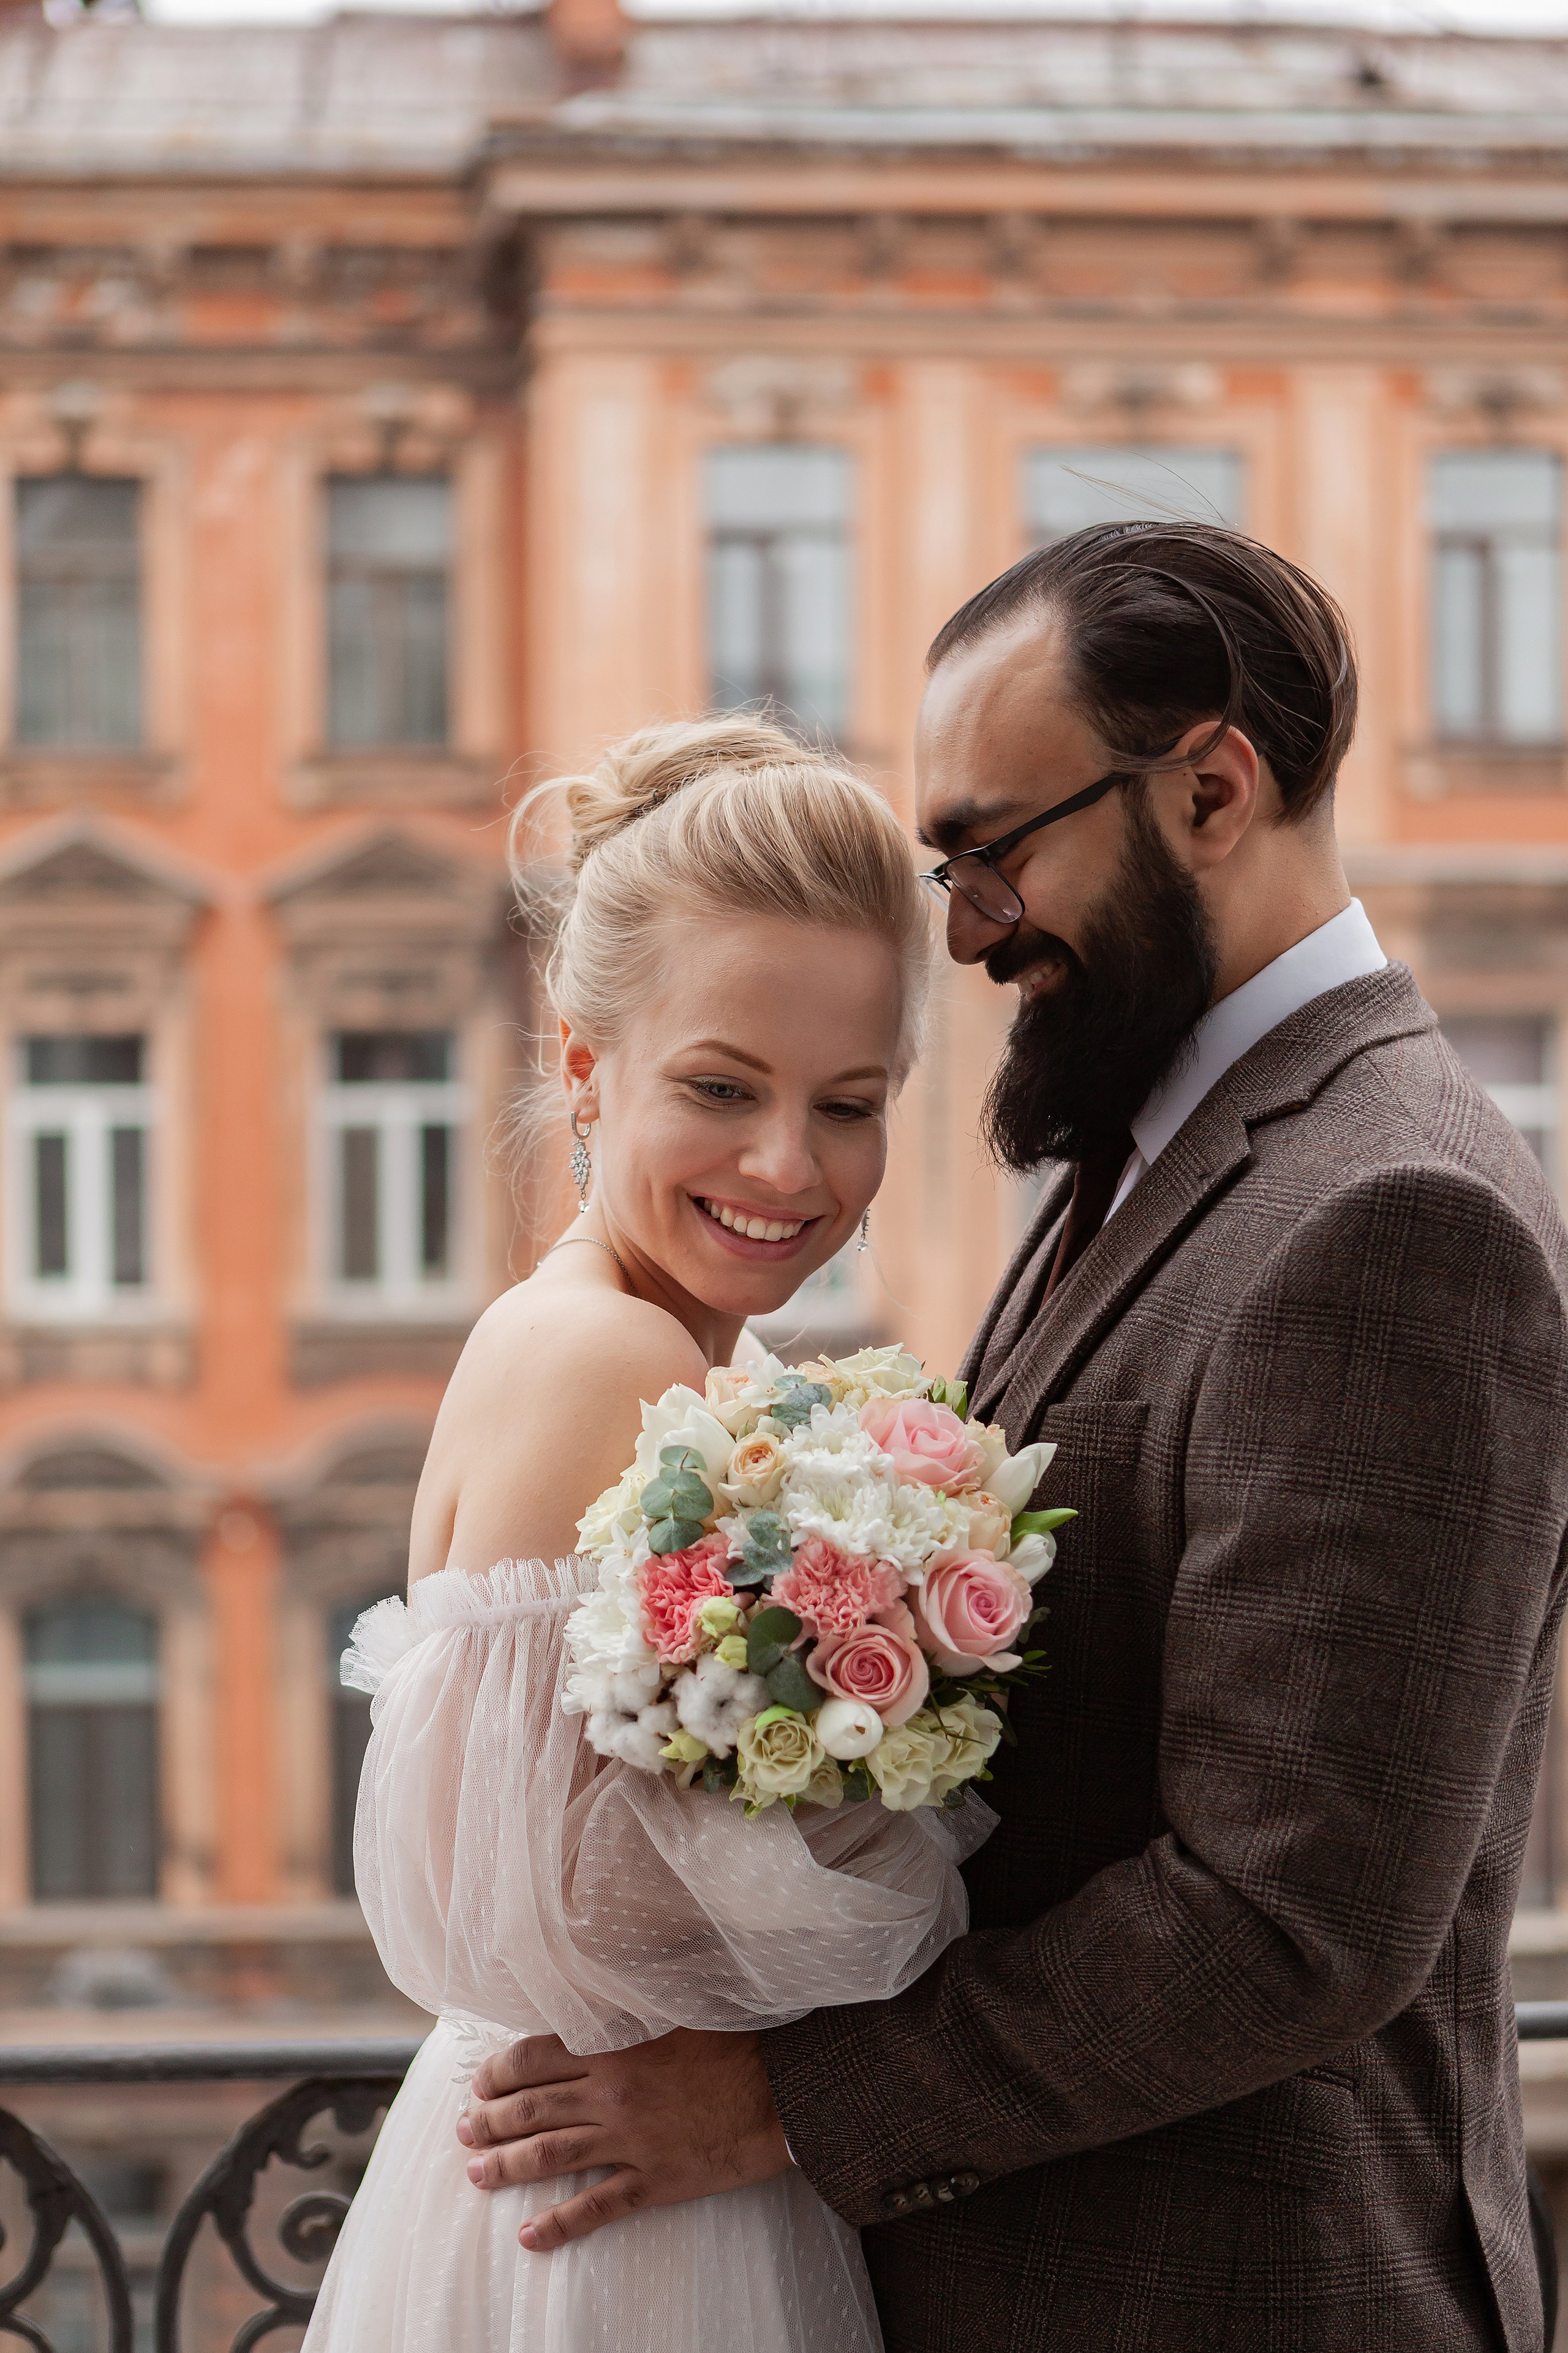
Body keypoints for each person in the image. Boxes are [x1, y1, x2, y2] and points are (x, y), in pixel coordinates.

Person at [460, 524, 1568, 2351]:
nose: (966, 928)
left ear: (1210, 788)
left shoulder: (1397, 1212)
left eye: (993, 850)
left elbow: (1293, 1916)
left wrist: (781, 2104)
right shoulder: (1146, 1152)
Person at [301, 716, 985, 2353]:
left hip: (632, 2166)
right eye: (722, 1086)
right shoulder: (606, 1356)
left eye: (848, 1102)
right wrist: (926, 1831)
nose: (786, 1165)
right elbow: (551, 1903)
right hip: (615, 2197)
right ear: (586, 1062)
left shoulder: (670, 1346)